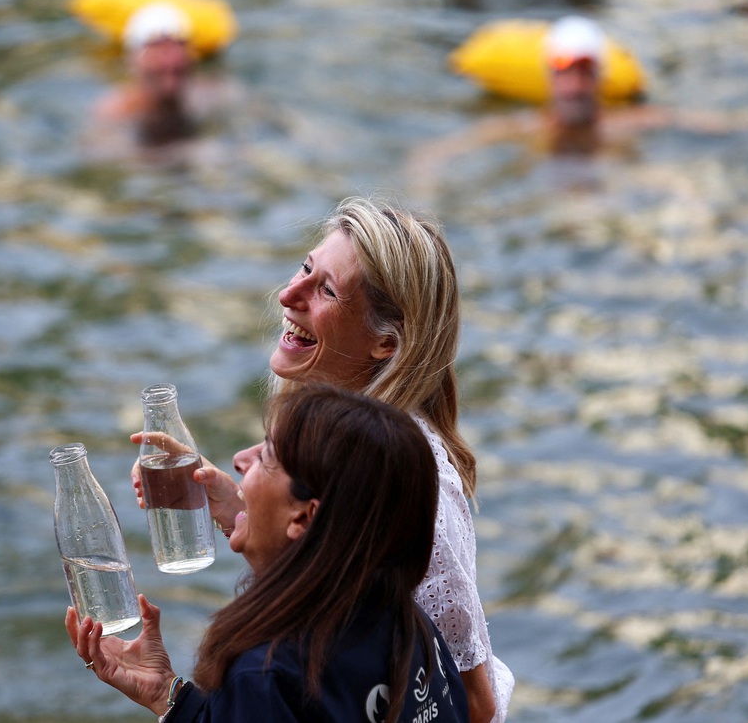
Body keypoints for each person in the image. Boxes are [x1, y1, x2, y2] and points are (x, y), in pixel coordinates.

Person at [131, 197, 513, 723]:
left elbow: (473, 703)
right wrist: (237, 507)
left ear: (386, 342)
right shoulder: (342, 443)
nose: (287, 295)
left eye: (327, 290)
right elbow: (348, 595)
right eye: (305, 268)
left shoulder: (414, 478)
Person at [69, 385, 470, 723]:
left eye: (266, 456)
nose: (240, 460)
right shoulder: (411, 626)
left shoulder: (267, 676)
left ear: (303, 517)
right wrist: (167, 694)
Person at [408, 15, 748, 199]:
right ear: (549, 77)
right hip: (545, 201)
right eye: (564, 72)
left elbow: (735, 124)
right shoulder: (524, 128)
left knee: (682, 190)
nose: (575, 85)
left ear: (599, 77)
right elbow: (435, 153)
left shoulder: (630, 123)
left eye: (585, 72)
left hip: (620, 194)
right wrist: (425, 190)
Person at [86, 1, 235, 159]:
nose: (170, 60)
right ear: (135, 62)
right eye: (158, 49)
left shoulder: (211, 93)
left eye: (177, 46)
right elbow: (110, 158)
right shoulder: (117, 113)